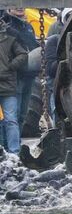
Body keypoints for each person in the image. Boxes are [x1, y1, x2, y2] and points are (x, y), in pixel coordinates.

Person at [0, 8, 30, 155]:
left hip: (8, 85)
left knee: (11, 120)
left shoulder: (11, 35)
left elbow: (23, 55)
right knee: (10, 120)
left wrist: (10, 66)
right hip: (9, 84)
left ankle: (13, 152)